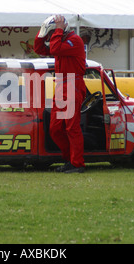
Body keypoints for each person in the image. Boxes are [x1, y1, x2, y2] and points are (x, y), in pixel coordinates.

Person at [34, 15, 87, 174]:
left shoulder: (74, 40)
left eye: (52, 34)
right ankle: (69, 160)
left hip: (73, 84)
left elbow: (55, 48)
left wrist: (57, 28)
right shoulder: (60, 42)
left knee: (72, 127)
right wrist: (42, 31)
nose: (49, 38)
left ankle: (77, 163)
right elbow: (39, 49)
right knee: (55, 129)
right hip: (61, 85)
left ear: (61, 30)